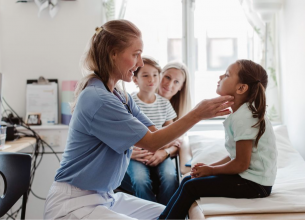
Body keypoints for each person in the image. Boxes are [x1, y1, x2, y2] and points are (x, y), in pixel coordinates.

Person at [43, 19, 233, 220]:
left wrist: (173, 144)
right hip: (75, 203)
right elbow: (153, 143)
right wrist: (197, 114)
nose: (140, 62)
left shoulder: (120, 96)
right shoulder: (98, 99)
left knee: (174, 215)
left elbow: (154, 134)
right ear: (113, 52)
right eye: (136, 54)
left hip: (104, 197)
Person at [158, 59, 278, 220]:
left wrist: (212, 170)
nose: (221, 76)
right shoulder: (242, 113)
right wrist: (209, 167)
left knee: (191, 187)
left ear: (241, 88)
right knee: (188, 179)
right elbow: (237, 156)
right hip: (248, 178)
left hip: (256, 185)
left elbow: (241, 164)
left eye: (227, 74)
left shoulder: (244, 117)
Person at [122, 56, 179, 205]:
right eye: (145, 75)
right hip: (137, 154)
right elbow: (123, 134)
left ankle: (166, 213)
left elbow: (171, 134)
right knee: (140, 180)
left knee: (170, 176)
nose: (151, 79)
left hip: (160, 151)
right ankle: (150, 213)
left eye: (155, 75)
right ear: (135, 80)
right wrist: (131, 151)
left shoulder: (164, 104)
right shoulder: (128, 102)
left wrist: (162, 149)